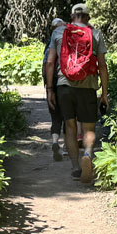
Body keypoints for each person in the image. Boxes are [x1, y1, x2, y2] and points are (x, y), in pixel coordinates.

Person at [44, 3, 109, 183]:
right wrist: (104, 92)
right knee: (88, 127)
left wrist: (50, 89)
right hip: (88, 86)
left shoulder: (58, 33)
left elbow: (50, 63)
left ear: (71, 17)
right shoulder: (95, 34)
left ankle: (75, 167)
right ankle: (87, 154)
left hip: (64, 86)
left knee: (70, 126)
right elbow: (102, 65)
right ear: (88, 18)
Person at [45, 18, 66, 161]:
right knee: (68, 117)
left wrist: (49, 88)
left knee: (55, 118)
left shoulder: (49, 46)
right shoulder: (70, 43)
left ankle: (54, 142)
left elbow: (47, 64)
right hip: (65, 83)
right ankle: (65, 147)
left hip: (52, 83)